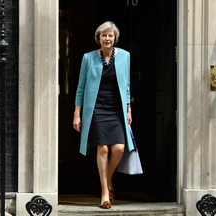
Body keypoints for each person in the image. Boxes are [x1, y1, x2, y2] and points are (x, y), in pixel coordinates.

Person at [73, 21, 134, 209]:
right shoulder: (88, 58)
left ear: (115, 38)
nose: (107, 39)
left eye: (110, 35)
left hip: (116, 109)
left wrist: (128, 109)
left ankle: (107, 180)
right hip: (97, 109)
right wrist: (77, 114)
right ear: (98, 38)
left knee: (118, 148)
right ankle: (105, 193)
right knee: (103, 149)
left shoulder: (125, 56)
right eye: (104, 35)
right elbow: (81, 87)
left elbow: (126, 85)